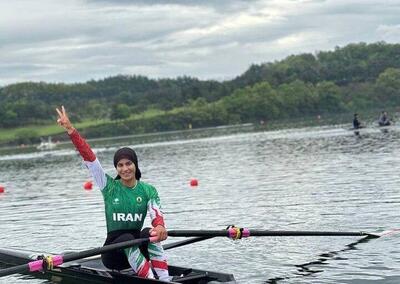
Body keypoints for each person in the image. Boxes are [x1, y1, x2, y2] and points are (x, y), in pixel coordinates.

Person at [56, 106, 170, 281]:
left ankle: (165, 279)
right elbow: (90, 158)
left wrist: (160, 227)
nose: (125, 169)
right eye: (120, 165)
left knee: (151, 232)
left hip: (136, 249)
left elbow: (157, 215)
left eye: (128, 164)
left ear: (135, 165)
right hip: (112, 255)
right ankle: (150, 279)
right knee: (126, 238)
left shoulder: (148, 190)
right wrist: (71, 130)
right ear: (116, 168)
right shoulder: (109, 186)